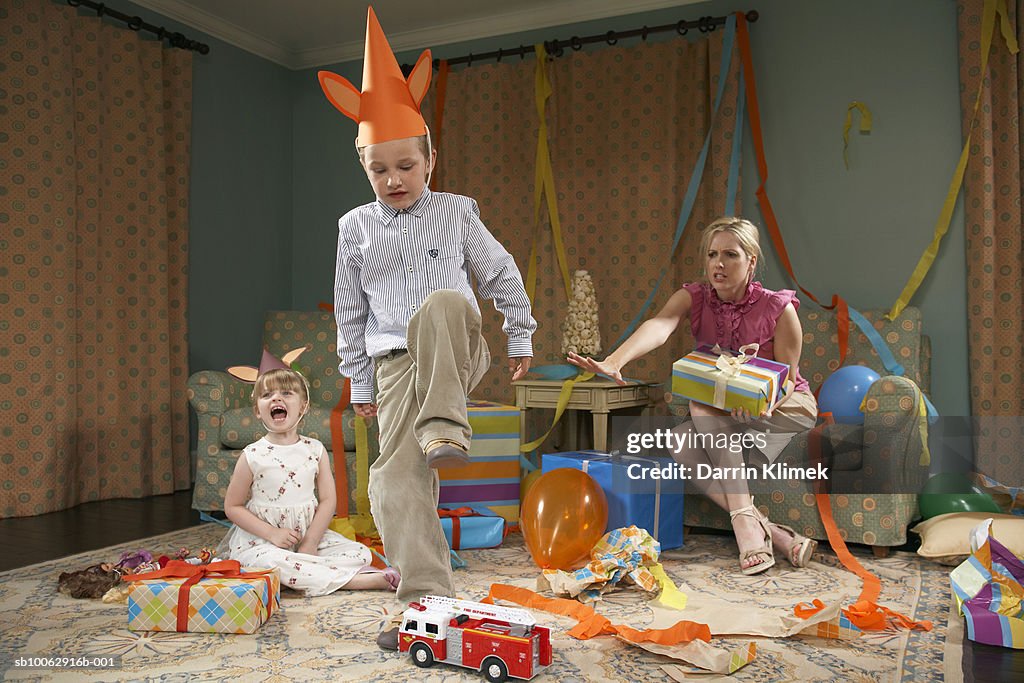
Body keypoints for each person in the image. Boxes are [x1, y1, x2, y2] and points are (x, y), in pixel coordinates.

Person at [318, 8, 536, 648]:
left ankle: (447, 426)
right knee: (392, 476)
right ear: (364, 169)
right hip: (395, 367)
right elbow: (350, 309)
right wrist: (358, 382)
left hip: (455, 345)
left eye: (405, 167)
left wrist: (518, 334)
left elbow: (499, 271)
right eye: (378, 170)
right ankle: (425, 602)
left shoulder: (456, 212)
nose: (393, 180)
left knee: (441, 299)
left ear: (430, 160)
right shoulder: (354, 229)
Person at [568, 216, 818, 575]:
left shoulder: (780, 308)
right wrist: (615, 359)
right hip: (722, 410)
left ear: (751, 260)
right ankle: (771, 532)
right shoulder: (696, 297)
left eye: (730, 254)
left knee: (702, 405)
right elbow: (661, 324)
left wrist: (763, 405)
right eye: (713, 254)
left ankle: (749, 531)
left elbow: (790, 379)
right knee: (680, 442)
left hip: (784, 407)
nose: (718, 264)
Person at [217, 365, 399, 595]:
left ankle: (304, 574)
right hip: (263, 542)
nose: (276, 398)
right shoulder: (253, 455)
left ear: (303, 406)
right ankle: (361, 581)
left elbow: (327, 501)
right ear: (257, 410)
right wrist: (271, 533)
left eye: (286, 393)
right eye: (267, 395)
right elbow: (232, 507)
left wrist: (311, 542)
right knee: (267, 563)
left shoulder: (315, 449)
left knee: (359, 553)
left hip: (307, 534)